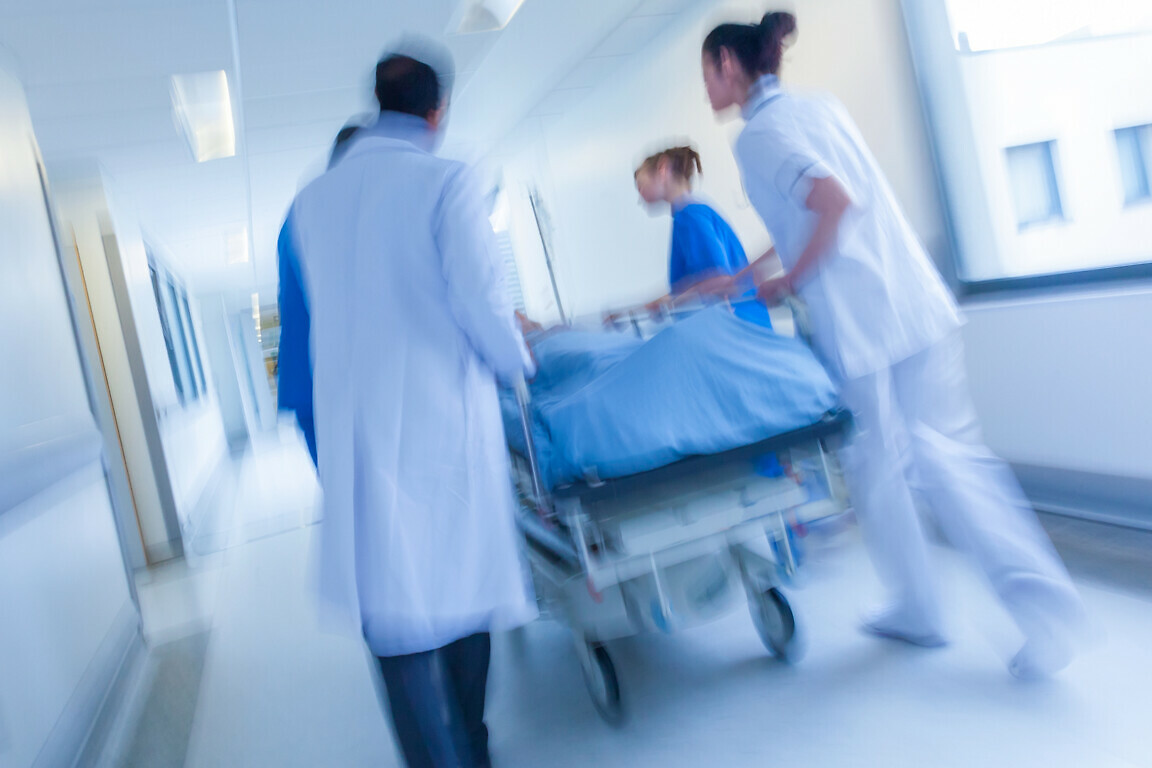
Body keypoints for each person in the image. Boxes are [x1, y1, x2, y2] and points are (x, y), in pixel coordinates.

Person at [699, 11, 1086, 678]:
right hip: (910, 301)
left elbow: (833, 201)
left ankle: (963, 609)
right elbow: (820, 208)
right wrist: (750, 272)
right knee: (928, 460)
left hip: (863, 321)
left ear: (730, 66)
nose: (706, 84)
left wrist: (789, 278)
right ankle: (971, 609)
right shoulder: (818, 109)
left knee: (897, 466)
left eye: (707, 70)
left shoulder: (757, 136)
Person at [289, 44, 536, 767]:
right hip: (441, 427)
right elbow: (484, 307)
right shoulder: (445, 182)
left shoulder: (313, 200)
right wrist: (518, 363)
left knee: (397, 614)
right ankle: (472, 747)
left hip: (359, 435)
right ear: (437, 112)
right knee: (462, 591)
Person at [277, 122, 363, 468]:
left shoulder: (303, 210)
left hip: (308, 385)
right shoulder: (335, 212)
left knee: (350, 501)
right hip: (335, 383)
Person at [628, 146, 773, 328]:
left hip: (738, 327)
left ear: (663, 168)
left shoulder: (689, 215)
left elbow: (717, 282)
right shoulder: (698, 211)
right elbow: (702, 280)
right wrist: (657, 303)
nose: (640, 198)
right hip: (749, 322)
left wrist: (667, 305)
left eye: (641, 185)